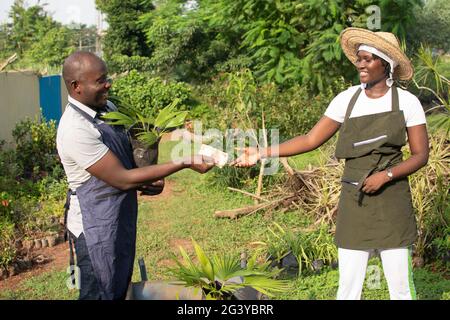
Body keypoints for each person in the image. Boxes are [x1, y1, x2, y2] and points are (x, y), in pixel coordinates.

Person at [232, 28, 429, 300]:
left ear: (386, 64)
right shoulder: (347, 99)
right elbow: (310, 139)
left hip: (392, 201)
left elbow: (421, 155)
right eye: (359, 58)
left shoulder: (408, 102)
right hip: (355, 197)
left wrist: (386, 175)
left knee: (401, 288)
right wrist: (262, 152)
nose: (360, 63)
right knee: (348, 287)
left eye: (368, 59)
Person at [57, 51, 215, 300]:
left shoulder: (108, 108)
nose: (108, 84)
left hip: (118, 215)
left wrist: (149, 179)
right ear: (76, 86)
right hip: (93, 226)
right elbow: (121, 178)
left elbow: (128, 158)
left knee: (118, 284)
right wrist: (184, 162)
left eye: (107, 77)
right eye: (100, 80)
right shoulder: (75, 129)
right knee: (99, 291)